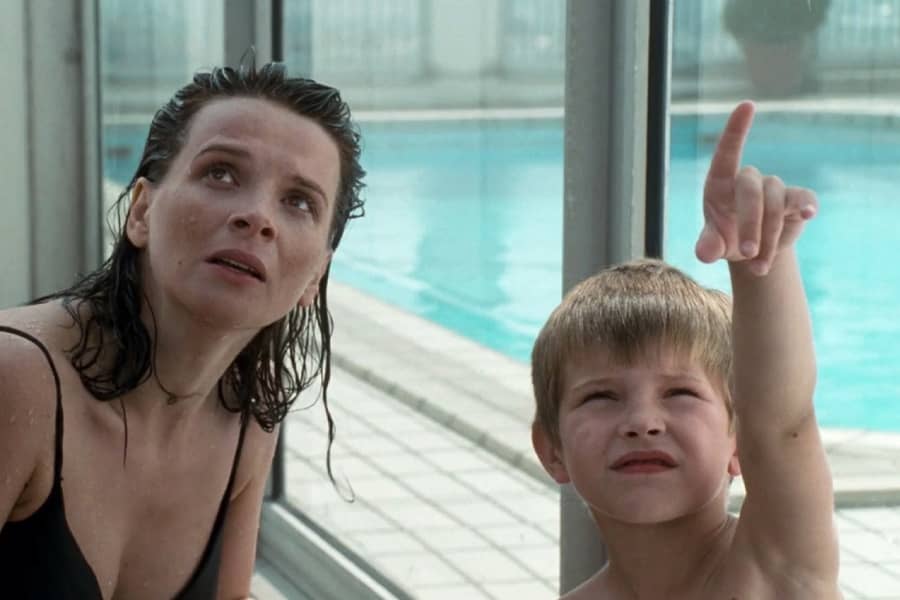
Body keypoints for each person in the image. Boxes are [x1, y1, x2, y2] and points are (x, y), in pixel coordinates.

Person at [0, 61, 365, 599]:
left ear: (316, 275)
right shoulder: (17, 380)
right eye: (221, 172)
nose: (257, 216)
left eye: (298, 201)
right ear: (142, 211)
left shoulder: (247, 421)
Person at [531, 101, 841, 599]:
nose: (642, 421)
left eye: (679, 393)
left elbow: (781, 423)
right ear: (552, 450)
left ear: (737, 443)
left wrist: (760, 259)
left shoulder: (773, 568)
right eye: (600, 398)